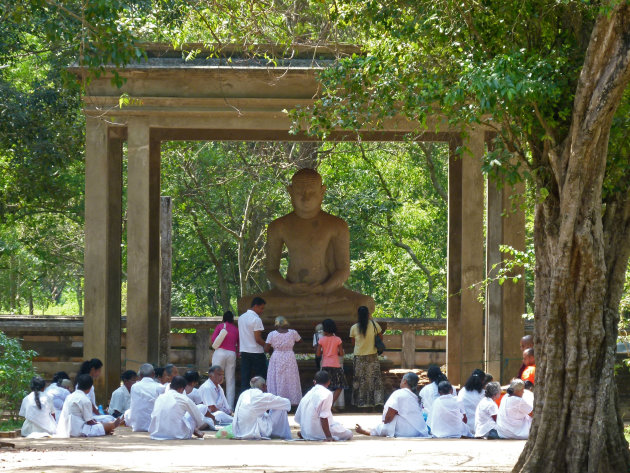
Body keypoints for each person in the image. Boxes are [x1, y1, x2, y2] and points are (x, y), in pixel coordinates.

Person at [355, 372, 429, 438]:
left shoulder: (399, 393)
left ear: (405, 381)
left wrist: (386, 421)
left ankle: (368, 431)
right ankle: (372, 430)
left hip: (406, 432)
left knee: (385, 425)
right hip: (419, 431)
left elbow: (389, 416)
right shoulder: (415, 396)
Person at [295, 370, 353, 441]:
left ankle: (307, 434)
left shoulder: (307, 394)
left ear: (314, 382)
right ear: (329, 382)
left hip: (306, 433)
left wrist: (305, 431)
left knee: (336, 424)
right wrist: (328, 436)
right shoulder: (327, 394)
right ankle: (326, 435)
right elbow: (323, 417)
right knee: (349, 433)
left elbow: (298, 417)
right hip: (319, 433)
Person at [56, 374, 121, 437]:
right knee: (104, 425)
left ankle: (107, 429)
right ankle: (111, 426)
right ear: (90, 387)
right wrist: (102, 424)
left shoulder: (69, 396)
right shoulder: (85, 400)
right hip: (77, 431)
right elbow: (89, 422)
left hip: (66, 429)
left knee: (101, 423)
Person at [149, 376, 205, 440]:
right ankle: (194, 430)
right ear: (181, 389)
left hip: (157, 433)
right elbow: (199, 419)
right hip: (178, 434)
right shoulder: (183, 398)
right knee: (201, 408)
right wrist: (196, 428)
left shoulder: (160, 397)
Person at [349, 306, 384, 408]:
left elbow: (353, 343)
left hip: (359, 356)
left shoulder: (354, 327)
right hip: (372, 356)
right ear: (368, 314)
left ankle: (360, 402)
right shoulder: (374, 325)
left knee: (359, 380)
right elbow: (381, 337)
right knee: (374, 379)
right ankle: (375, 402)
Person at [264, 316, 302, 406]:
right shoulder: (293, 333)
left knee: (277, 378)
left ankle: (277, 401)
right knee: (290, 378)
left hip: (277, 356)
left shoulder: (272, 334)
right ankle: (292, 401)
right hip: (289, 356)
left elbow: (266, 348)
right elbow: (300, 341)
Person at [238, 297, 267, 392]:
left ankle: (243, 399)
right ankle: (261, 397)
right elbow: (258, 339)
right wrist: (266, 345)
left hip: (244, 351)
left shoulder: (241, 318)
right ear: (255, 306)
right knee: (261, 377)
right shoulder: (256, 319)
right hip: (256, 352)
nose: (262, 311)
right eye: (261, 308)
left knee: (245, 377)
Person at [211, 310, 239, 409]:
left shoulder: (220, 326)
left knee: (215, 378)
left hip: (220, 352)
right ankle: (230, 407)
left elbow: (213, 340)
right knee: (230, 380)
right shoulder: (236, 329)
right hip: (231, 353)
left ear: (223, 318)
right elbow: (238, 345)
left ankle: (214, 404)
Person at [126, 363, 165, 432]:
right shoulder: (160, 387)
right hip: (154, 426)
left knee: (127, 412)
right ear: (153, 374)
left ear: (140, 375)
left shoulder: (134, 387)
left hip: (137, 426)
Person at [317, 318, 346, 405]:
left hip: (325, 365)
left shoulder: (321, 340)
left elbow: (318, 354)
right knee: (340, 386)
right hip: (336, 365)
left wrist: (324, 351)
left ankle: (325, 404)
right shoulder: (338, 339)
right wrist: (334, 351)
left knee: (325, 386)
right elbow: (341, 353)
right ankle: (331, 403)